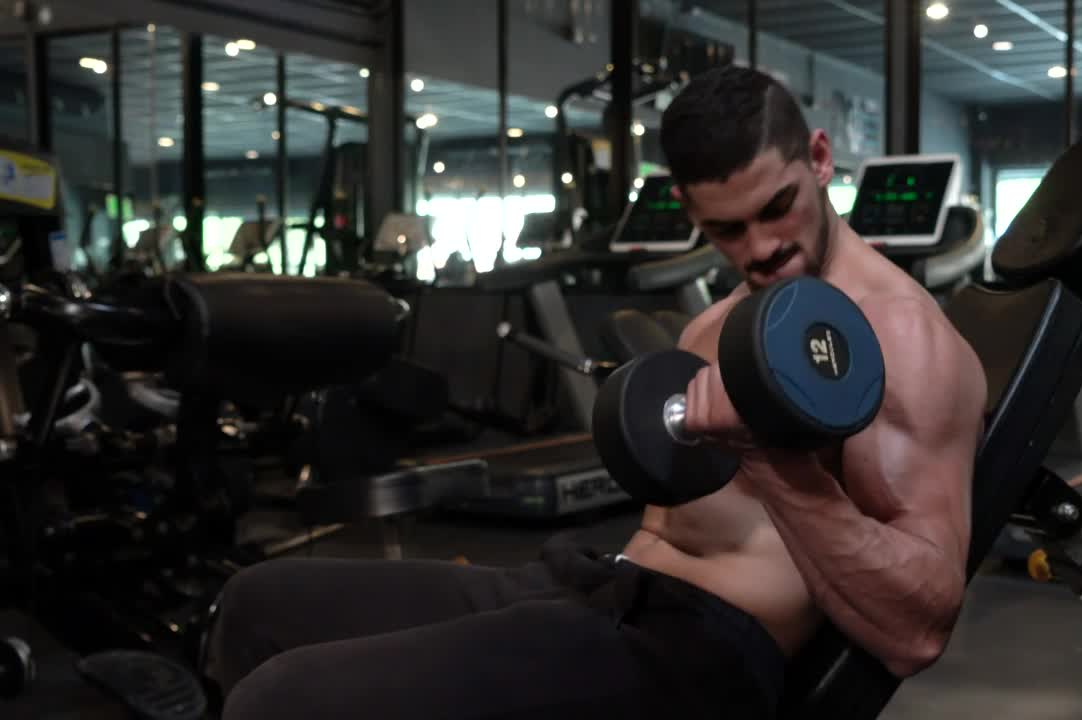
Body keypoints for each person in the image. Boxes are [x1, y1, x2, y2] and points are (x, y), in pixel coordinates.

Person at [206, 65, 988, 720]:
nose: (761, 250)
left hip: (697, 649)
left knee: (285, 700)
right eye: (728, 230)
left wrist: (775, 461)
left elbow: (917, 625)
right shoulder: (714, 324)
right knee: (257, 602)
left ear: (819, 159)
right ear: (690, 214)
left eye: (777, 209)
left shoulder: (899, 339)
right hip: (598, 584)